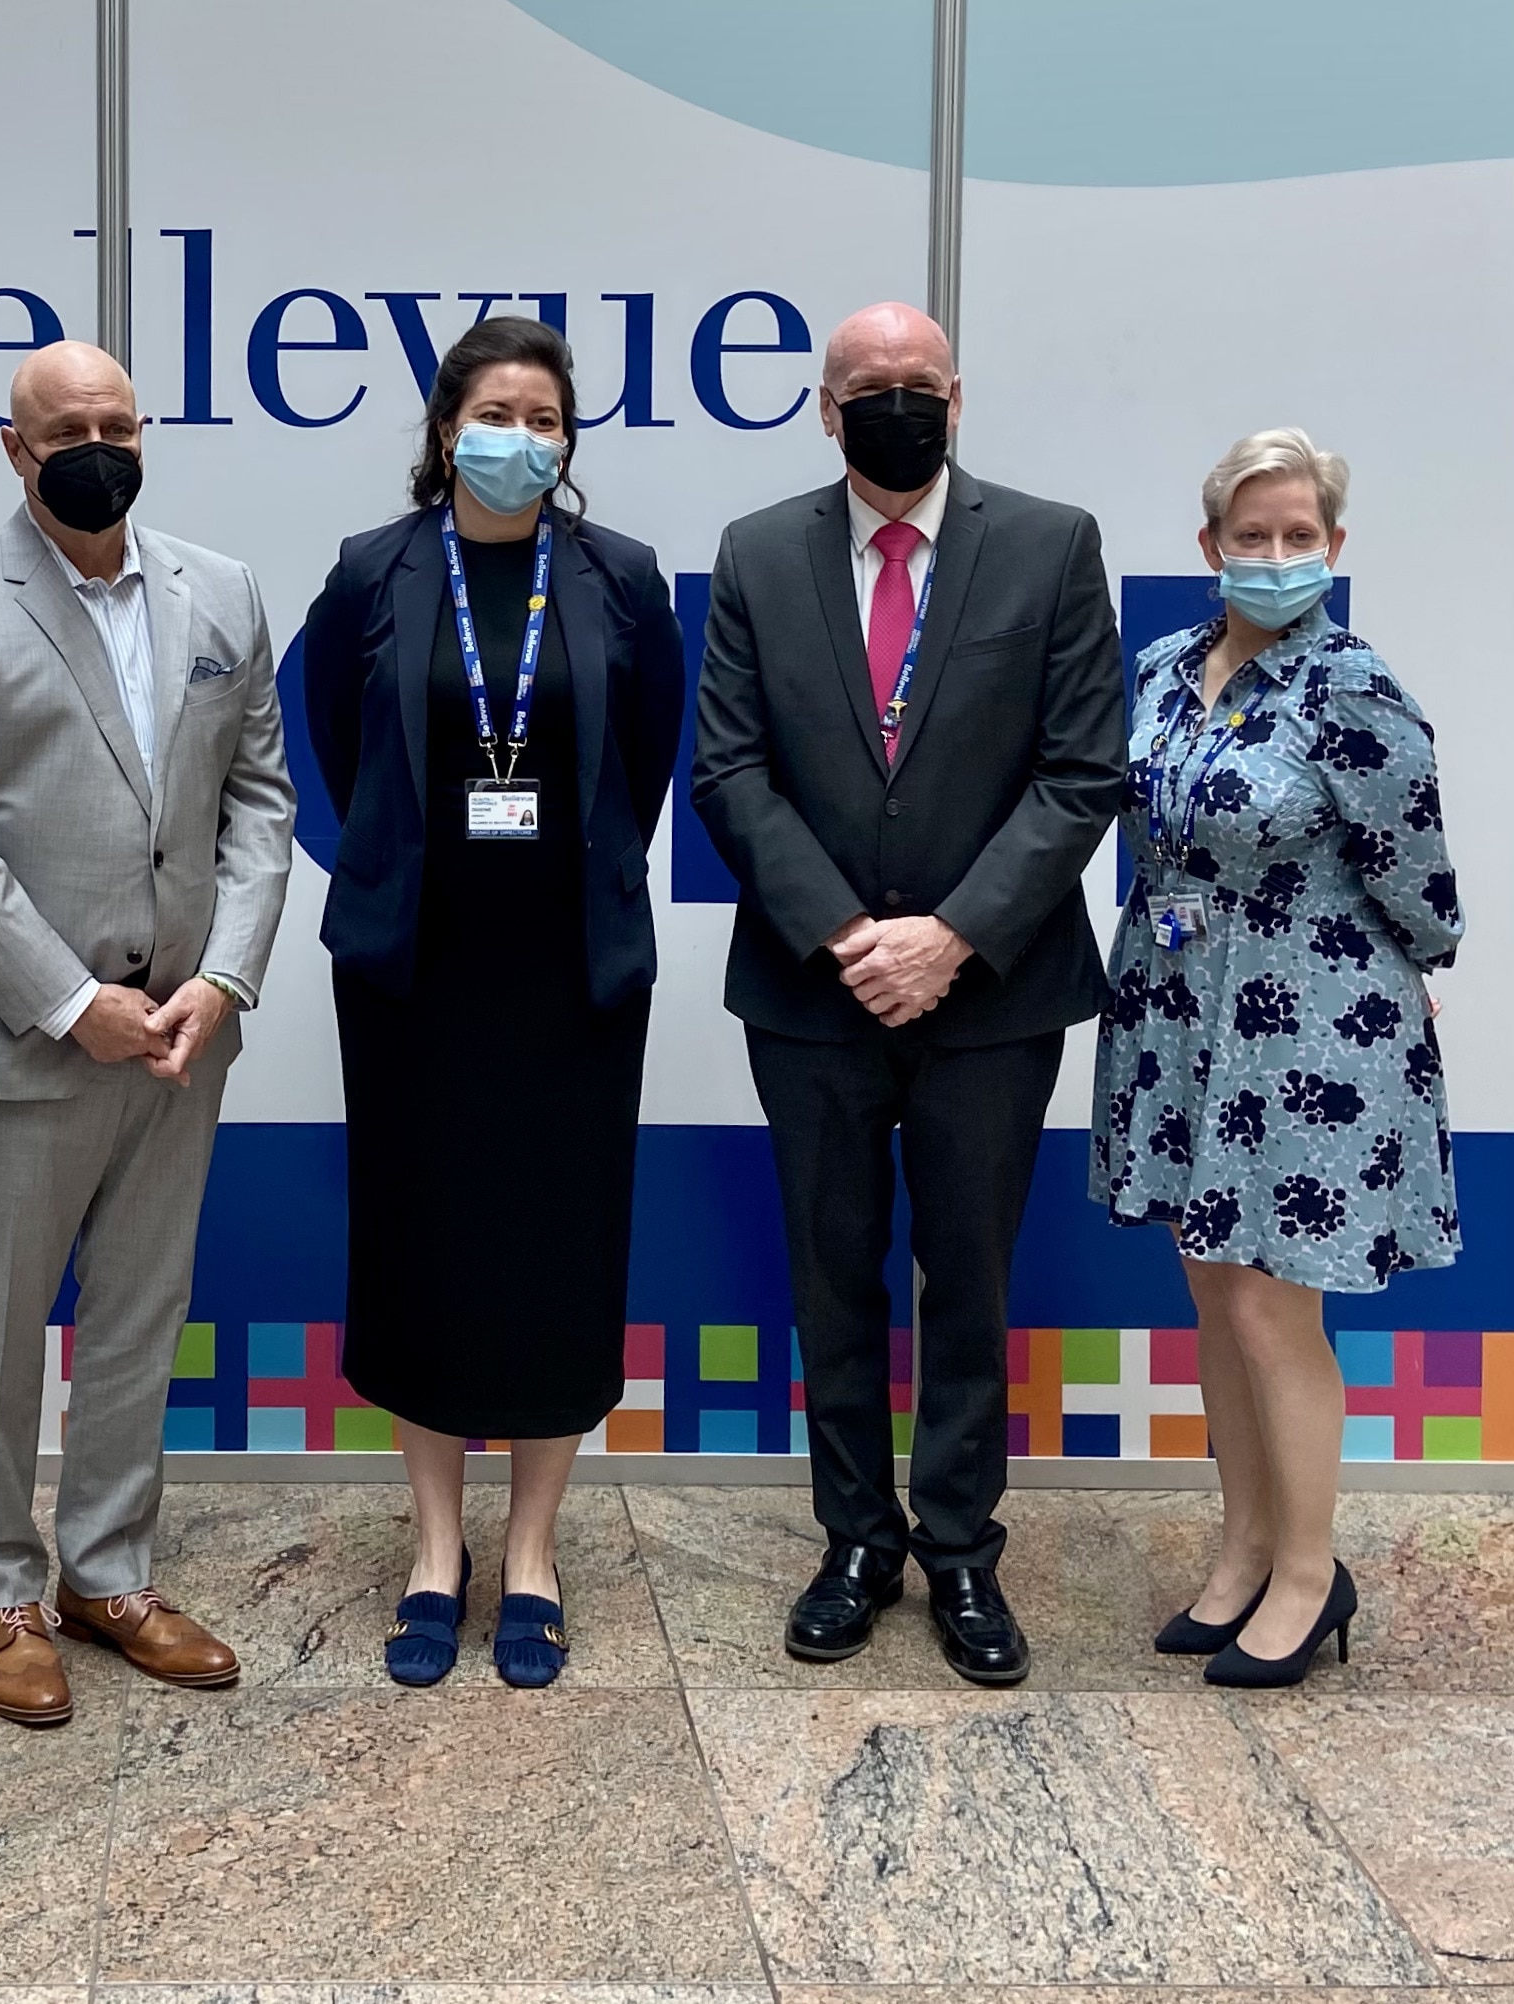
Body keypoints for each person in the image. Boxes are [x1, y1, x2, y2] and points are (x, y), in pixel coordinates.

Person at [691, 301, 1124, 1686]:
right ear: (824, 409)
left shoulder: (1052, 545)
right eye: (865, 387)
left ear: (957, 397)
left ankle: (959, 1548)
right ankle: (855, 1540)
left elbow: (1080, 773)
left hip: (991, 996)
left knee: (971, 1283)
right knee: (830, 1281)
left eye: (917, 383)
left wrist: (949, 937)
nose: (894, 404)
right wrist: (844, 934)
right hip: (812, 996)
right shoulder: (759, 554)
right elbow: (730, 773)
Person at [0, 340, 294, 1727]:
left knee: (137, 1314)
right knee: (1, 1328)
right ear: (15, 448)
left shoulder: (221, 589)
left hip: (182, 1035)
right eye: (67, 428)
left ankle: (110, 1574)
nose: (97, 445)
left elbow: (260, 803)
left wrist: (223, 980)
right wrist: (72, 1002)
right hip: (26, 1041)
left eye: (118, 422)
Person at [302, 316, 684, 1690]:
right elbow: (337, 750)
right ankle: (432, 1548)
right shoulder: (373, 574)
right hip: (420, 969)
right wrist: (416, 857)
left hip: (568, 972)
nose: (520, 434)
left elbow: (646, 760)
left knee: (556, 1251)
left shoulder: (623, 579)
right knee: (424, 1248)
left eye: (544, 414)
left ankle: (530, 1550)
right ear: (446, 425)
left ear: (569, 436)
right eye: (495, 410)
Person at [1093, 430, 1460, 1687]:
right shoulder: (1157, 669)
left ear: (1333, 548)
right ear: (1207, 549)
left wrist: (1391, 980)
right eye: (1248, 537)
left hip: (1308, 1025)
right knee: (1209, 1283)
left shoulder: (1351, 686)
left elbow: (1419, 882)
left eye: (1296, 535)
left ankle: (1310, 1571)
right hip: (1176, 1012)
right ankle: (1244, 1547)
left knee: (1267, 1296)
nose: (1271, 556)